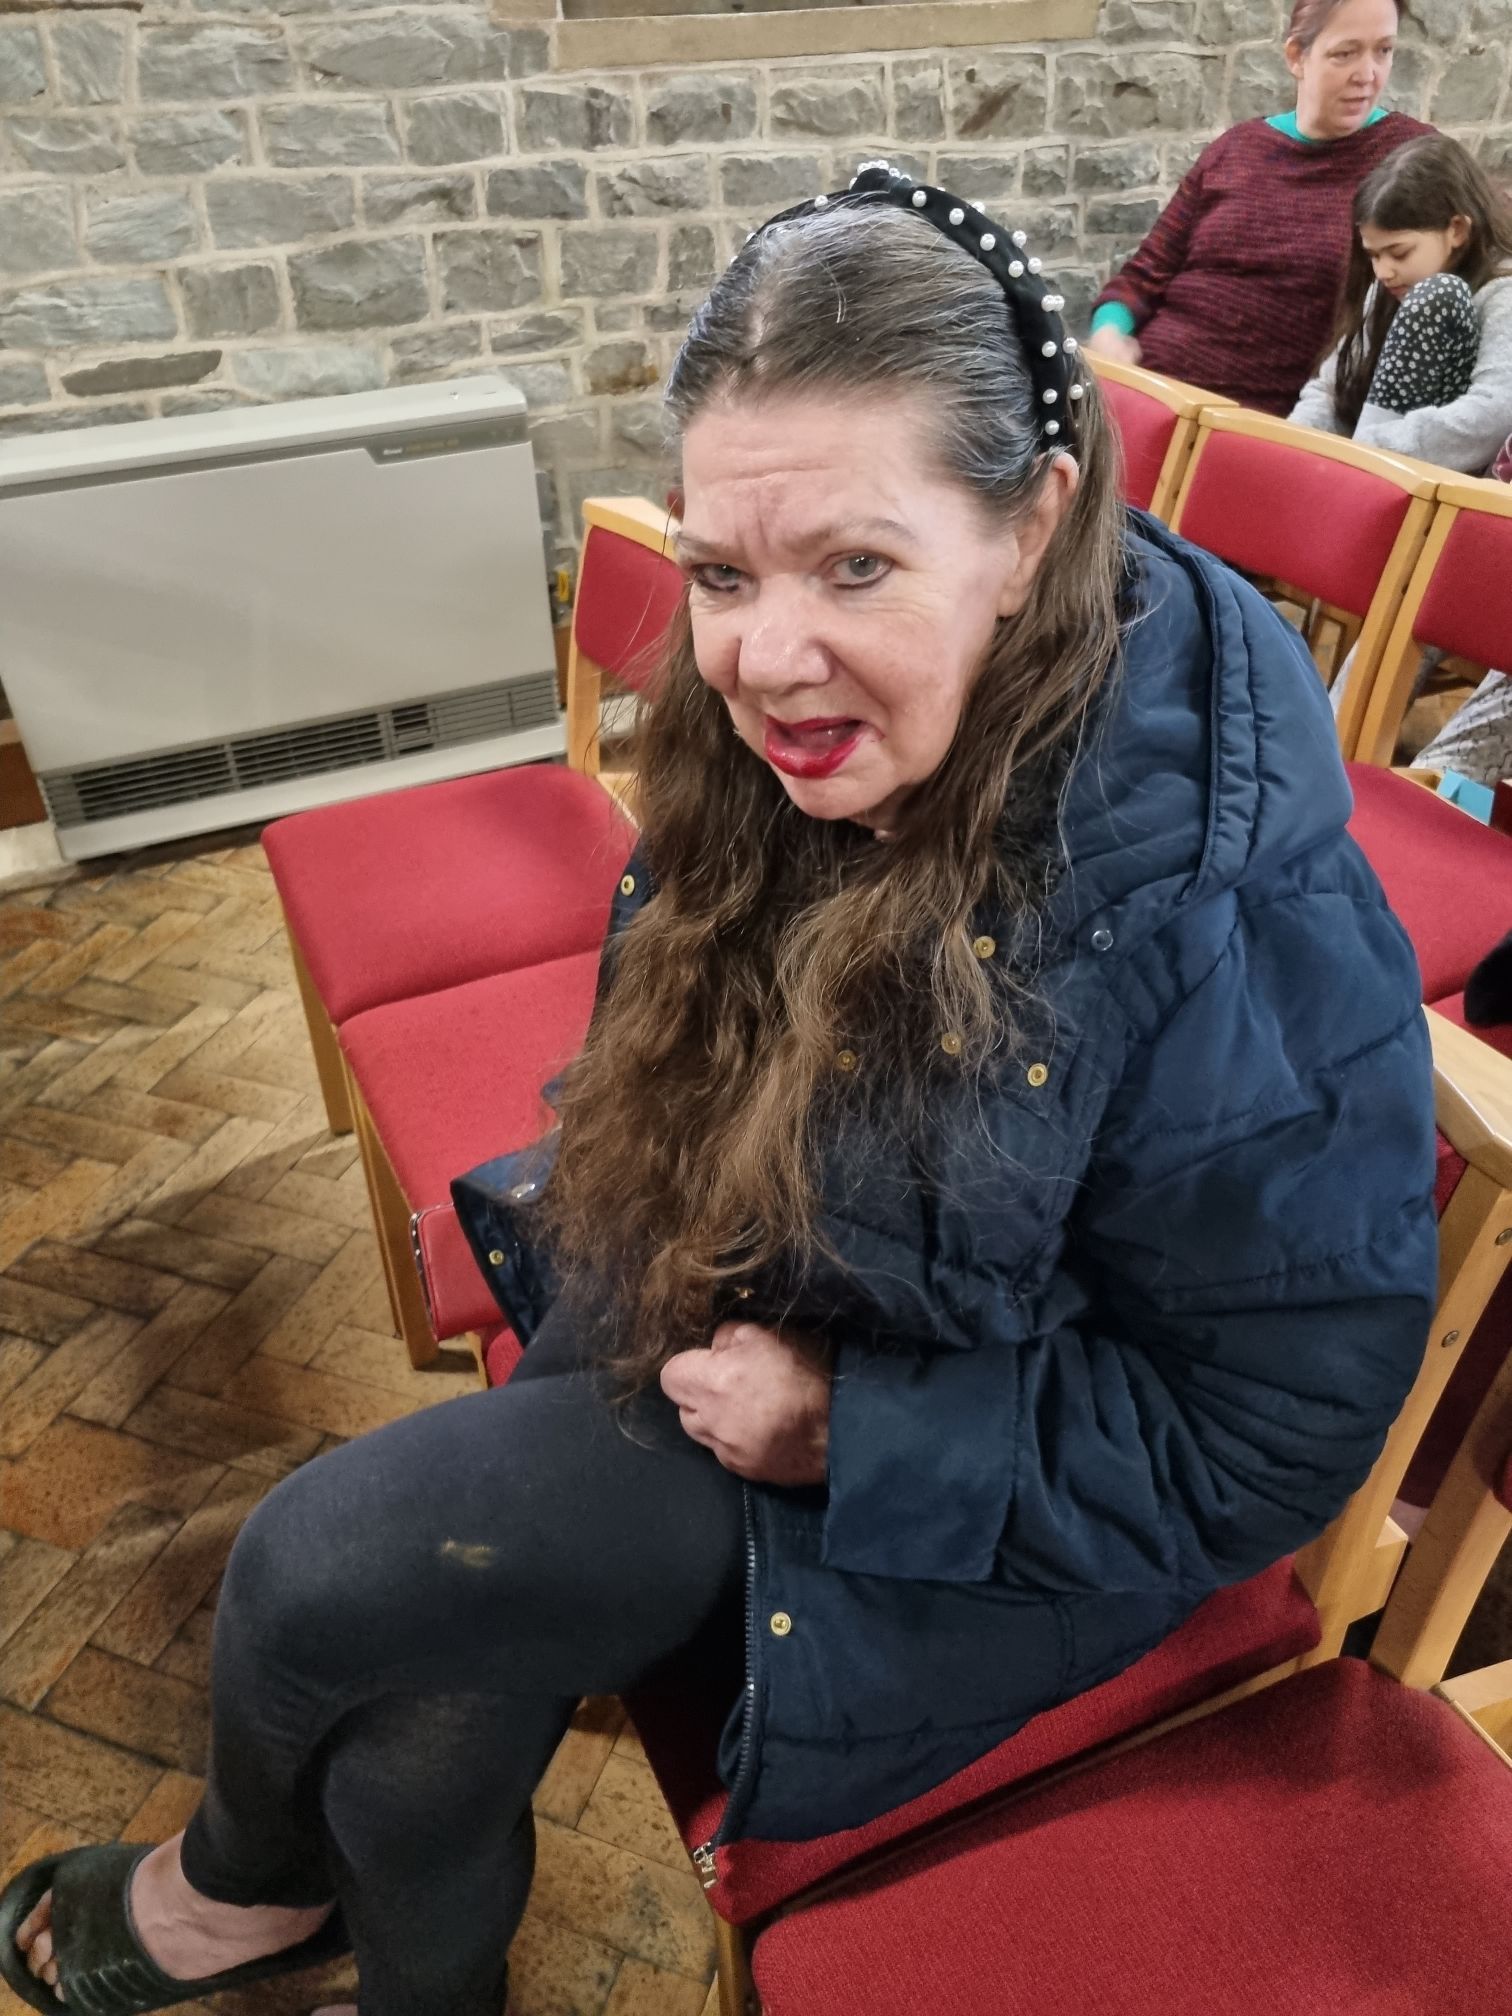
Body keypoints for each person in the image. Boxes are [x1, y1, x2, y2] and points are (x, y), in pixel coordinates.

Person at [1, 162, 1439, 2016]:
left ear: (1032, 526)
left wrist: (854, 1429)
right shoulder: (814, 731)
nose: (763, 657)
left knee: (322, 1570)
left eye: (857, 565)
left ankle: (231, 1896)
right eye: (720, 572)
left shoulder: (1216, 911)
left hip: (977, 1485)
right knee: (423, 1696)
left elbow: (1271, 1435)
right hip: (768, 1282)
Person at [1088, 0, 1431, 413]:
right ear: (1296, 57)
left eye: (1384, 50)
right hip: (1147, 393)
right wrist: (1108, 334)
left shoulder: (1414, 160)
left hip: (1265, 424)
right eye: (1345, 53)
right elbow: (1144, 275)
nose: (1367, 74)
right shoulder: (1236, 149)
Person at [1291, 134, 1512, 470]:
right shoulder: (1387, 289)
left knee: (1438, 296)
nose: (1383, 272)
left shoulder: (1501, 293)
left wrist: (1370, 451)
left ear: (1457, 230)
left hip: (1453, 484)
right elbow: (1331, 389)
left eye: (1399, 253)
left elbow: (1494, 413)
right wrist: (1294, 448)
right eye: (1373, 256)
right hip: (1369, 467)